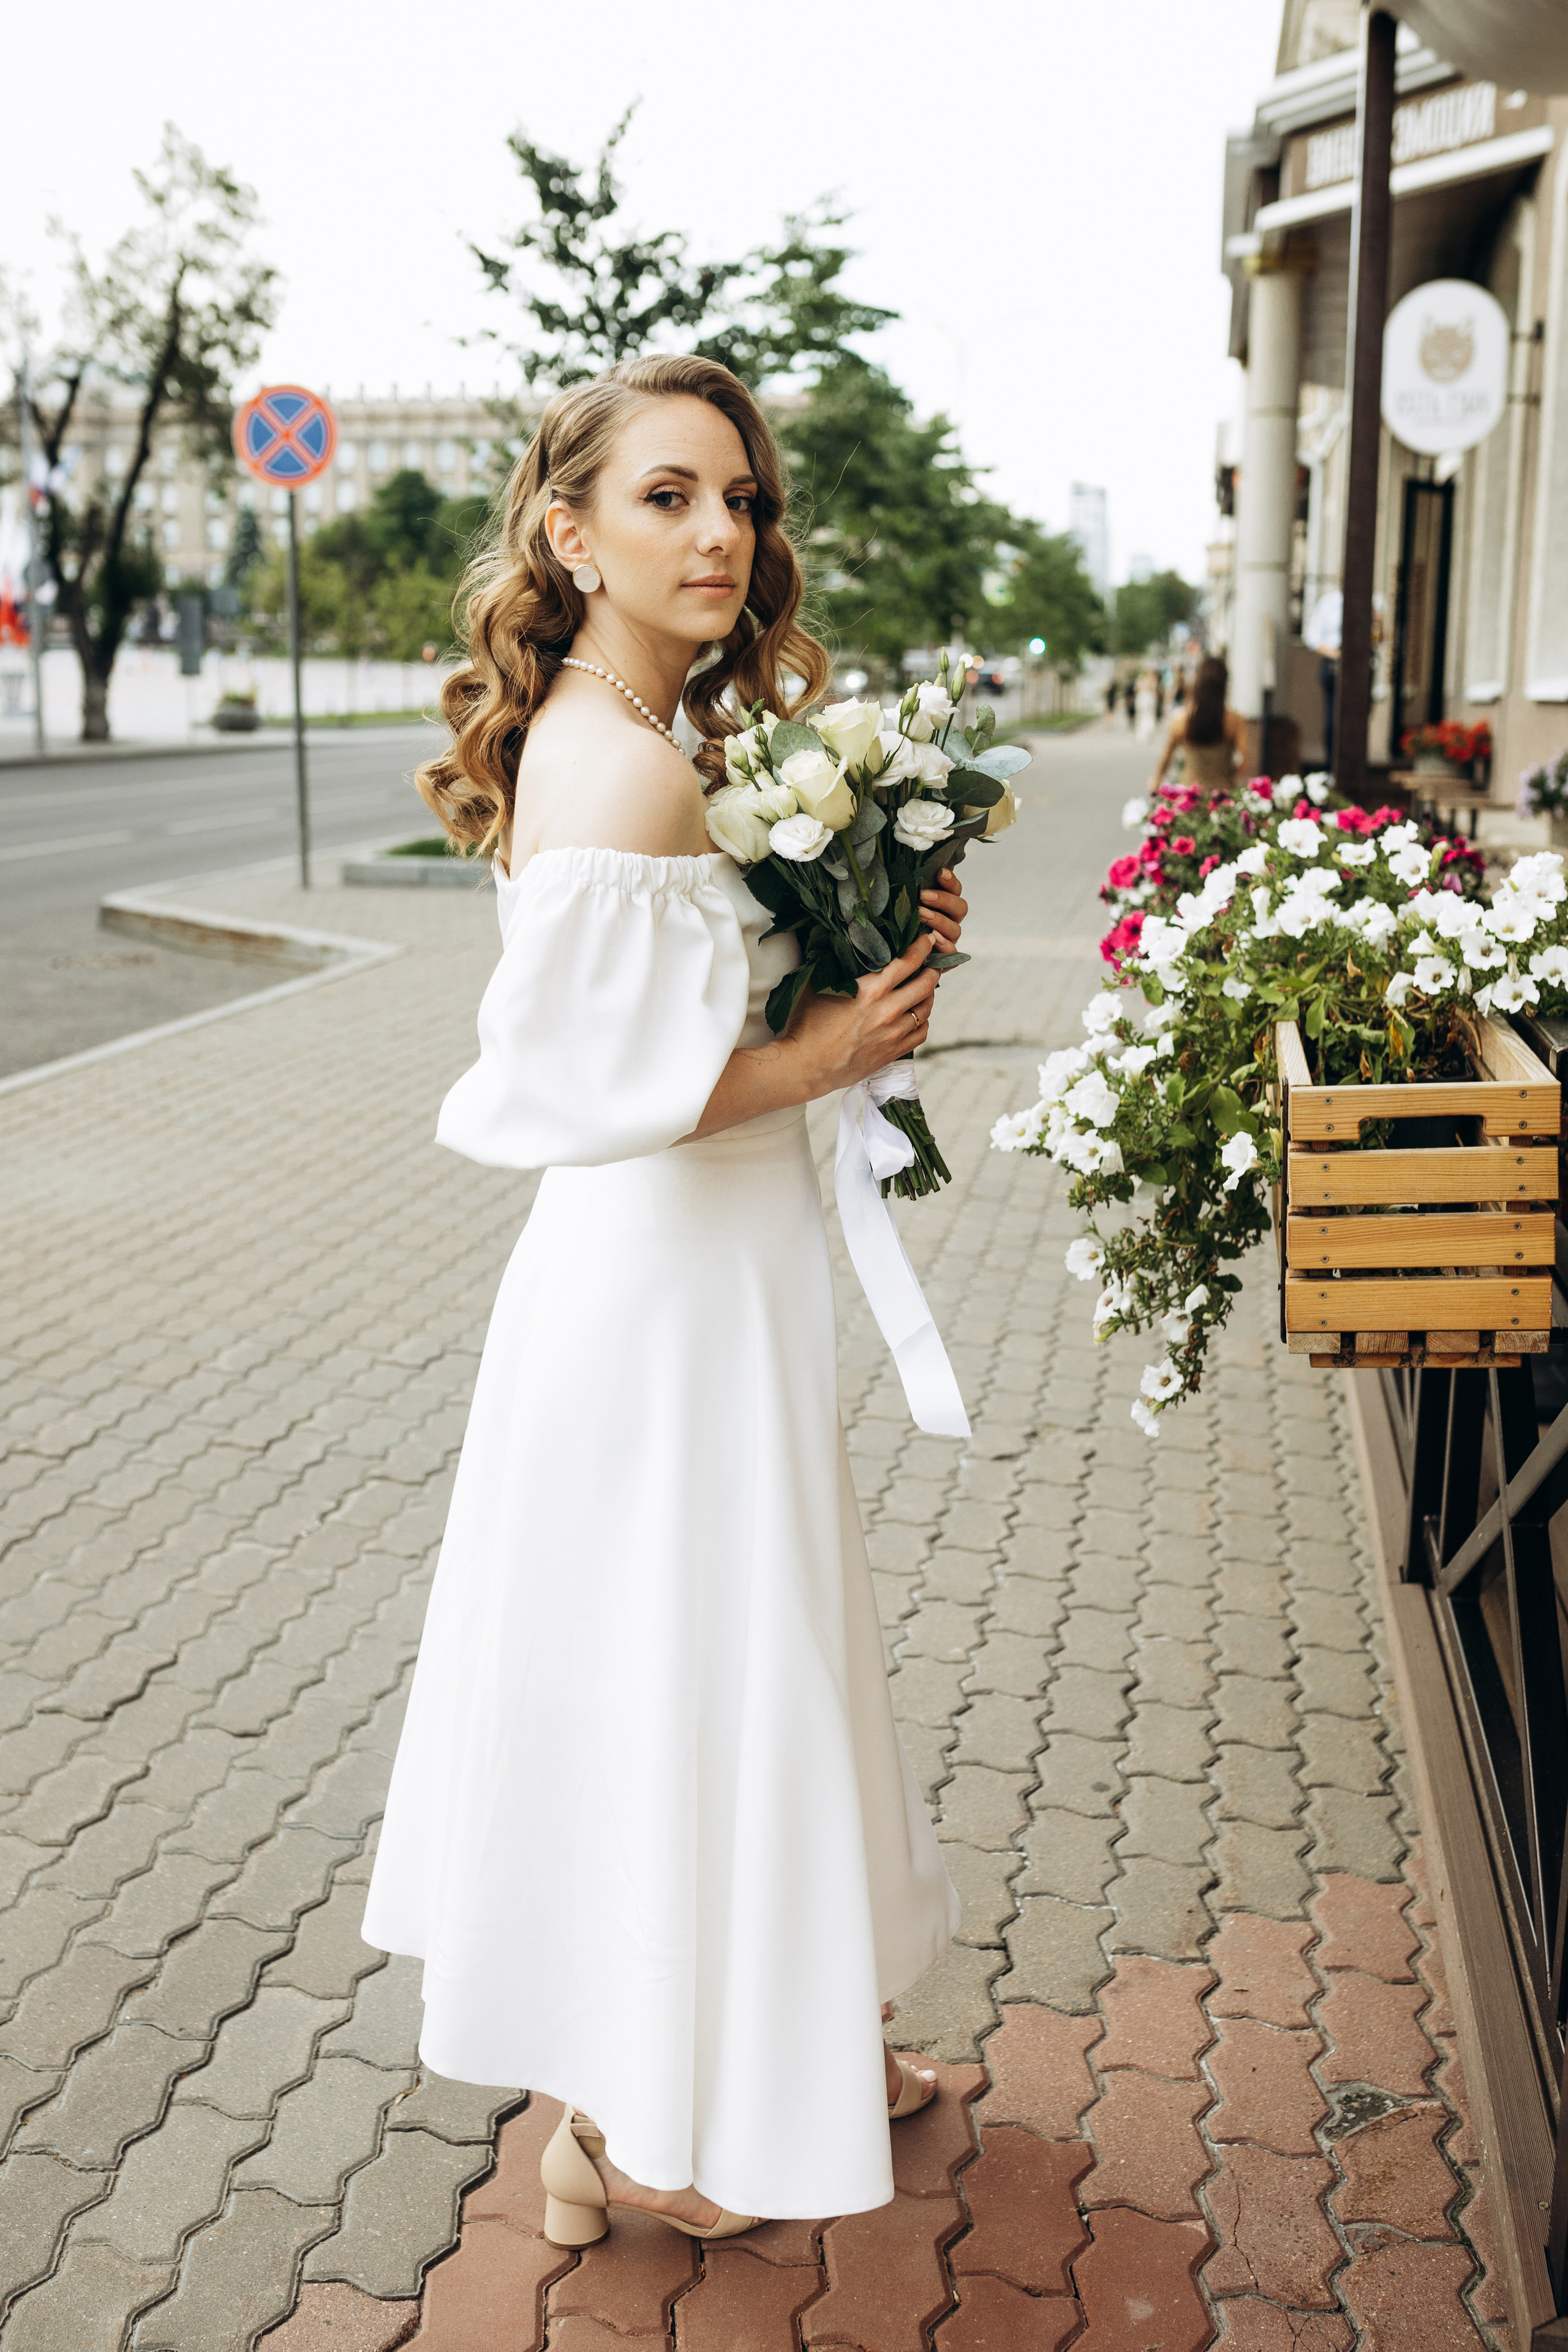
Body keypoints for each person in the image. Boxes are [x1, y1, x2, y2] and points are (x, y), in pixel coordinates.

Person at [360, 354, 968, 2245]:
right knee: (685, 1676)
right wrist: (824, 1052)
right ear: (569, 533)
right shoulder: (620, 762)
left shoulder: (662, 719)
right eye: (670, 497)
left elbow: (706, 996)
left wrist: (875, 934)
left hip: (719, 1277)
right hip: (662, 1297)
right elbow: (581, 1091)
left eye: (743, 501)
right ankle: (629, 2124)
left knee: (724, 1660)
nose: (722, 534)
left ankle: (789, 2043)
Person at [1150, 652, 1246, 791]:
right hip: (1222, 794)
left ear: (1198, 682)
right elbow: (1245, 762)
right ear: (1225, 685)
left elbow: (1166, 758)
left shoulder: (1181, 720)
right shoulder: (1235, 720)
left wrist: (1156, 781)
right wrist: (1229, 773)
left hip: (1189, 794)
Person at [1304, 587, 1342, 769]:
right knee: (1333, 721)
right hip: (1333, 663)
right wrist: (1336, 654)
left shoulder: (1374, 600)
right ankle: (1332, 766)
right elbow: (1313, 637)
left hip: (1361, 665)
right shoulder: (1330, 602)